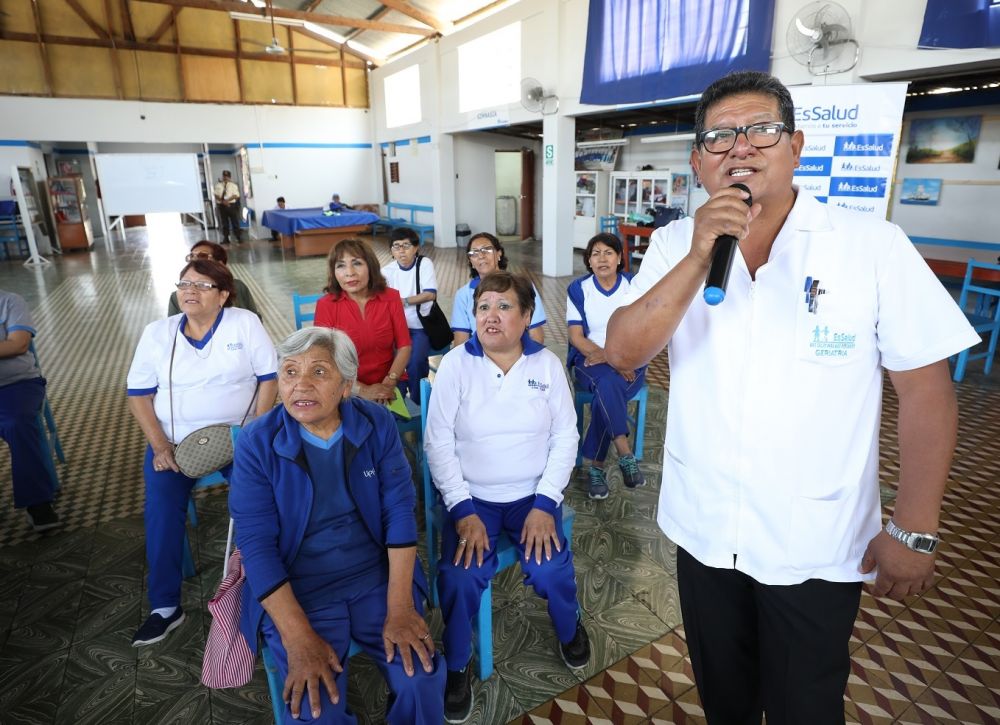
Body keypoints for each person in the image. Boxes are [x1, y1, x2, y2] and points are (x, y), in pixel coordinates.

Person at [605, 70, 978, 725]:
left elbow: (925, 389)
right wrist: (697, 256)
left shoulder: (870, 246)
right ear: (698, 162)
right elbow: (624, 350)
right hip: (704, 529)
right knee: (726, 700)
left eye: (761, 130)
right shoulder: (674, 244)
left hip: (818, 541)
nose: (740, 147)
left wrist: (914, 526)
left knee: (806, 706)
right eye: (719, 137)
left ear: (797, 145)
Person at [230, 326, 445, 724]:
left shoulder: (376, 423)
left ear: (347, 386)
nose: (300, 386)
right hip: (300, 589)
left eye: (319, 372)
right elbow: (256, 546)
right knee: (315, 710)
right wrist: (296, 637)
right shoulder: (257, 443)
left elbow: (399, 511)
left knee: (423, 678)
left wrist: (399, 607)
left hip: (376, 579)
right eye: (290, 372)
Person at [424, 272, 589, 723]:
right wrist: (460, 508)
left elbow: (566, 436)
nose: (491, 315)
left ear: (527, 316)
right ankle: (456, 664)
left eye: (503, 306)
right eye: (483, 307)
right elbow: (437, 442)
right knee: (460, 577)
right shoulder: (457, 364)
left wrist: (544, 502)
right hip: (472, 497)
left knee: (550, 569)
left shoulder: (547, 365)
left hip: (532, 496)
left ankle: (571, 628)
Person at [126, 259, 278, 647]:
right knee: (160, 512)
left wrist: (256, 431)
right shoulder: (157, 333)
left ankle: (264, 589)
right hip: (175, 445)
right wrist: (160, 444)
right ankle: (164, 607)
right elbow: (139, 394)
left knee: (259, 505)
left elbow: (268, 378)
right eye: (184, 284)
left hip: (238, 438)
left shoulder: (243, 323)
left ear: (224, 295)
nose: (189, 291)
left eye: (202, 285)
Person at [566, 233, 646, 499]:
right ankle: (625, 453)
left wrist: (619, 358)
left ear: (620, 257)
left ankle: (596, 469)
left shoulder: (634, 286)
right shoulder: (579, 289)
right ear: (588, 260)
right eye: (595, 253)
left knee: (606, 388)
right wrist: (610, 357)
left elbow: (645, 330)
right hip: (589, 359)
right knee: (608, 382)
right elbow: (576, 337)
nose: (602, 258)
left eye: (608, 252)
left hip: (631, 359)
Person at [314, 239, 411, 404]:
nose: (349, 272)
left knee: (384, 421)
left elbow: (404, 346)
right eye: (341, 265)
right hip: (344, 386)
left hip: (389, 382)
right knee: (359, 424)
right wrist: (362, 390)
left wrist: (390, 381)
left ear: (371, 267)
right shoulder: (326, 305)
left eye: (357, 263)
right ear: (334, 273)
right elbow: (324, 358)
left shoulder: (391, 298)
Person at [0, 290, 61, 532]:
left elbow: (18, 343)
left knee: (18, 422)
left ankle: (38, 502)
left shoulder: (9, 301)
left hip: (15, 384)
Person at [450, 232, 546, 347]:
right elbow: (461, 341)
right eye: (474, 253)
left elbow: (536, 335)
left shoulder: (522, 286)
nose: (481, 256)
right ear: (471, 261)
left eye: (487, 250)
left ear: (499, 254)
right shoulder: (463, 295)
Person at [381, 227, 439, 404]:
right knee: (384, 360)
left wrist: (402, 301)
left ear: (416, 248)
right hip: (395, 328)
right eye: (396, 246)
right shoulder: (386, 272)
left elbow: (430, 294)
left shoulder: (424, 264)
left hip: (420, 327)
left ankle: (417, 402)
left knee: (415, 363)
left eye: (406, 245)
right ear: (391, 251)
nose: (401, 250)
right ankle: (397, 398)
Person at [167, 241, 260, 319]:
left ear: (220, 264)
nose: (194, 260)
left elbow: (255, 318)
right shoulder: (176, 297)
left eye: (202, 256)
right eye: (191, 256)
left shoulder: (238, 287)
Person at [213, 170, 241, 244]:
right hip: (221, 206)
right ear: (222, 176)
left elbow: (236, 195)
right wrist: (222, 201)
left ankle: (238, 237)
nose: (225, 178)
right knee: (224, 223)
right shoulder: (218, 185)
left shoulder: (233, 185)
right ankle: (226, 238)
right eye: (224, 176)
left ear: (230, 177)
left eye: (227, 176)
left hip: (231, 205)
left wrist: (227, 201)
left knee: (235, 222)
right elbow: (216, 195)